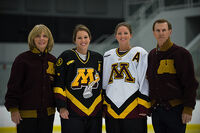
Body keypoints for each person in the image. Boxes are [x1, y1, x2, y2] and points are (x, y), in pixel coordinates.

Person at [147, 19, 199, 133]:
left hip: (175, 112)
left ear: (170, 32)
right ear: (154, 33)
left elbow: (190, 83)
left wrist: (188, 109)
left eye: (164, 30)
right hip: (157, 112)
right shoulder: (151, 55)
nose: (161, 33)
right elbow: (150, 81)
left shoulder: (182, 53)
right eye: (158, 30)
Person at [4, 24, 56, 133]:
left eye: (44, 36)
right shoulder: (22, 60)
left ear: (49, 39)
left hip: (48, 116)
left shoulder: (53, 60)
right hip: (26, 117)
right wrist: (13, 109)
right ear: (32, 39)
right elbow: (14, 87)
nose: (41, 39)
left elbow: (56, 87)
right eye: (37, 36)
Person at [53, 24, 103, 133]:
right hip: (72, 112)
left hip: (95, 113)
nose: (83, 40)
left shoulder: (98, 58)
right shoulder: (66, 56)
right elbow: (58, 83)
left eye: (85, 37)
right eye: (79, 38)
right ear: (74, 40)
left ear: (90, 38)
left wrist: (103, 107)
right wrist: (62, 107)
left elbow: (104, 85)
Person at [103, 22, 151, 133]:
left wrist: (143, 105)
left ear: (131, 35)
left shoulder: (140, 53)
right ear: (115, 36)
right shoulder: (108, 55)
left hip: (134, 109)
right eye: (119, 33)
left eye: (125, 33)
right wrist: (104, 106)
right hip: (112, 110)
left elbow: (144, 80)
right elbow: (105, 83)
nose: (122, 36)